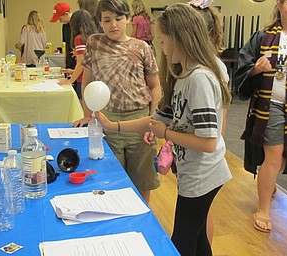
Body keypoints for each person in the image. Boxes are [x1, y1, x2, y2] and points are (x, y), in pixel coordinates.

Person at [95, 3, 232, 255]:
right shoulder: (183, 76)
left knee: (182, 240)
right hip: (194, 173)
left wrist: (166, 134)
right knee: (197, 239)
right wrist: (111, 125)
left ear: (180, 39)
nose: (162, 48)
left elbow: (208, 142)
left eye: (163, 41)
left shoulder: (199, 79)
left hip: (204, 175)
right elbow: (154, 121)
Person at [72, 0, 161, 204]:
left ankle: (141, 220)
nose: (113, 25)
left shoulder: (142, 47)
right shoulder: (95, 43)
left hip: (140, 123)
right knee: (109, 179)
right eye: (107, 20)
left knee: (142, 181)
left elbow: (155, 86)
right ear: (100, 22)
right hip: (106, 121)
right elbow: (87, 80)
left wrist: (153, 121)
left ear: (128, 19)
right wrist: (88, 114)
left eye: (119, 19)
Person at [235, 0, 287, 233]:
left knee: (283, 157)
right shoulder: (263, 36)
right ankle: (264, 208)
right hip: (271, 105)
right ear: (279, 5)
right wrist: (255, 69)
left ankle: (270, 182)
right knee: (275, 156)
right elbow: (243, 68)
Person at [189, 0, 230, 246]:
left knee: (201, 215)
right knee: (198, 218)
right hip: (195, 153)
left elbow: (221, 117)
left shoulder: (212, 69)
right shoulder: (193, 68)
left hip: (205, 157)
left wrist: (213, 148)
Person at [58, 9, 97, 102]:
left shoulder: (79, 38)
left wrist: (71, 80)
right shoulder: (94, 37)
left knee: (83, 107)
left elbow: (81, 63)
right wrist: (73, 71)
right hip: (94, 77)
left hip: (83, 79)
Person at [50, 3, 79, 99]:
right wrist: (65, 62)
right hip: (69, 61)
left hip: (78, 60)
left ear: (66, 14)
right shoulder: (64, 27)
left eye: (60, 18)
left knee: (77, 91)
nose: (59, 21)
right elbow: (65, 45)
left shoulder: (77, 25)